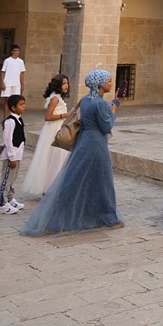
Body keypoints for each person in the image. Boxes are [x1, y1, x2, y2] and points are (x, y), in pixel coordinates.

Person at [20, 69, 124, 235]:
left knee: (74, 179)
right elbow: (107, 126)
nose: (111, 83)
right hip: (96, 144)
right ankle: (109, 217)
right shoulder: (101, 103)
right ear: (100, 84)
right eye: (109, 81)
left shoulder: (85, 100)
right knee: (102, 181)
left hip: (83, 142)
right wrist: (114, 108)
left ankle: (55, 219)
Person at [17, 74, 71, 197]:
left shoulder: (58, 98)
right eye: (63, 83)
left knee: (57, 159)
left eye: (67, 83)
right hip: (54, 129)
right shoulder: (55, 98)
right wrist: (64, 115)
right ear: (58, 85)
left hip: (58, 127)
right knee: (55, 157)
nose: (66, 85)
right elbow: (48, 117)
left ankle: (54, 186)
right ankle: (49, 187)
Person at [0, 94, 27, 214]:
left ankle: (10, 198)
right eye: (21, 105)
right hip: (11, 156)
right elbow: (8, 138)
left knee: (13, 178)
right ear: (13, 107)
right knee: (6, 179)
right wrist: (11, 156)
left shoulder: (19, 119)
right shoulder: (10, 121)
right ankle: (2, 204)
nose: (24, 107)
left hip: (17, 154)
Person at [1, 44, 26, 108]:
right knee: (7, 100)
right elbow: (3, 72)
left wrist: (22, 84)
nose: (17, 52)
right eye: (16, 50)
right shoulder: (7, 60)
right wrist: (2, 82)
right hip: (8, 83)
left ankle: (14, 116)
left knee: (16, 101)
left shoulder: (21, 61)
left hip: (16, 83)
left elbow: (22, 73)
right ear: (12, 51)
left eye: (18, 51)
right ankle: (6, 117)